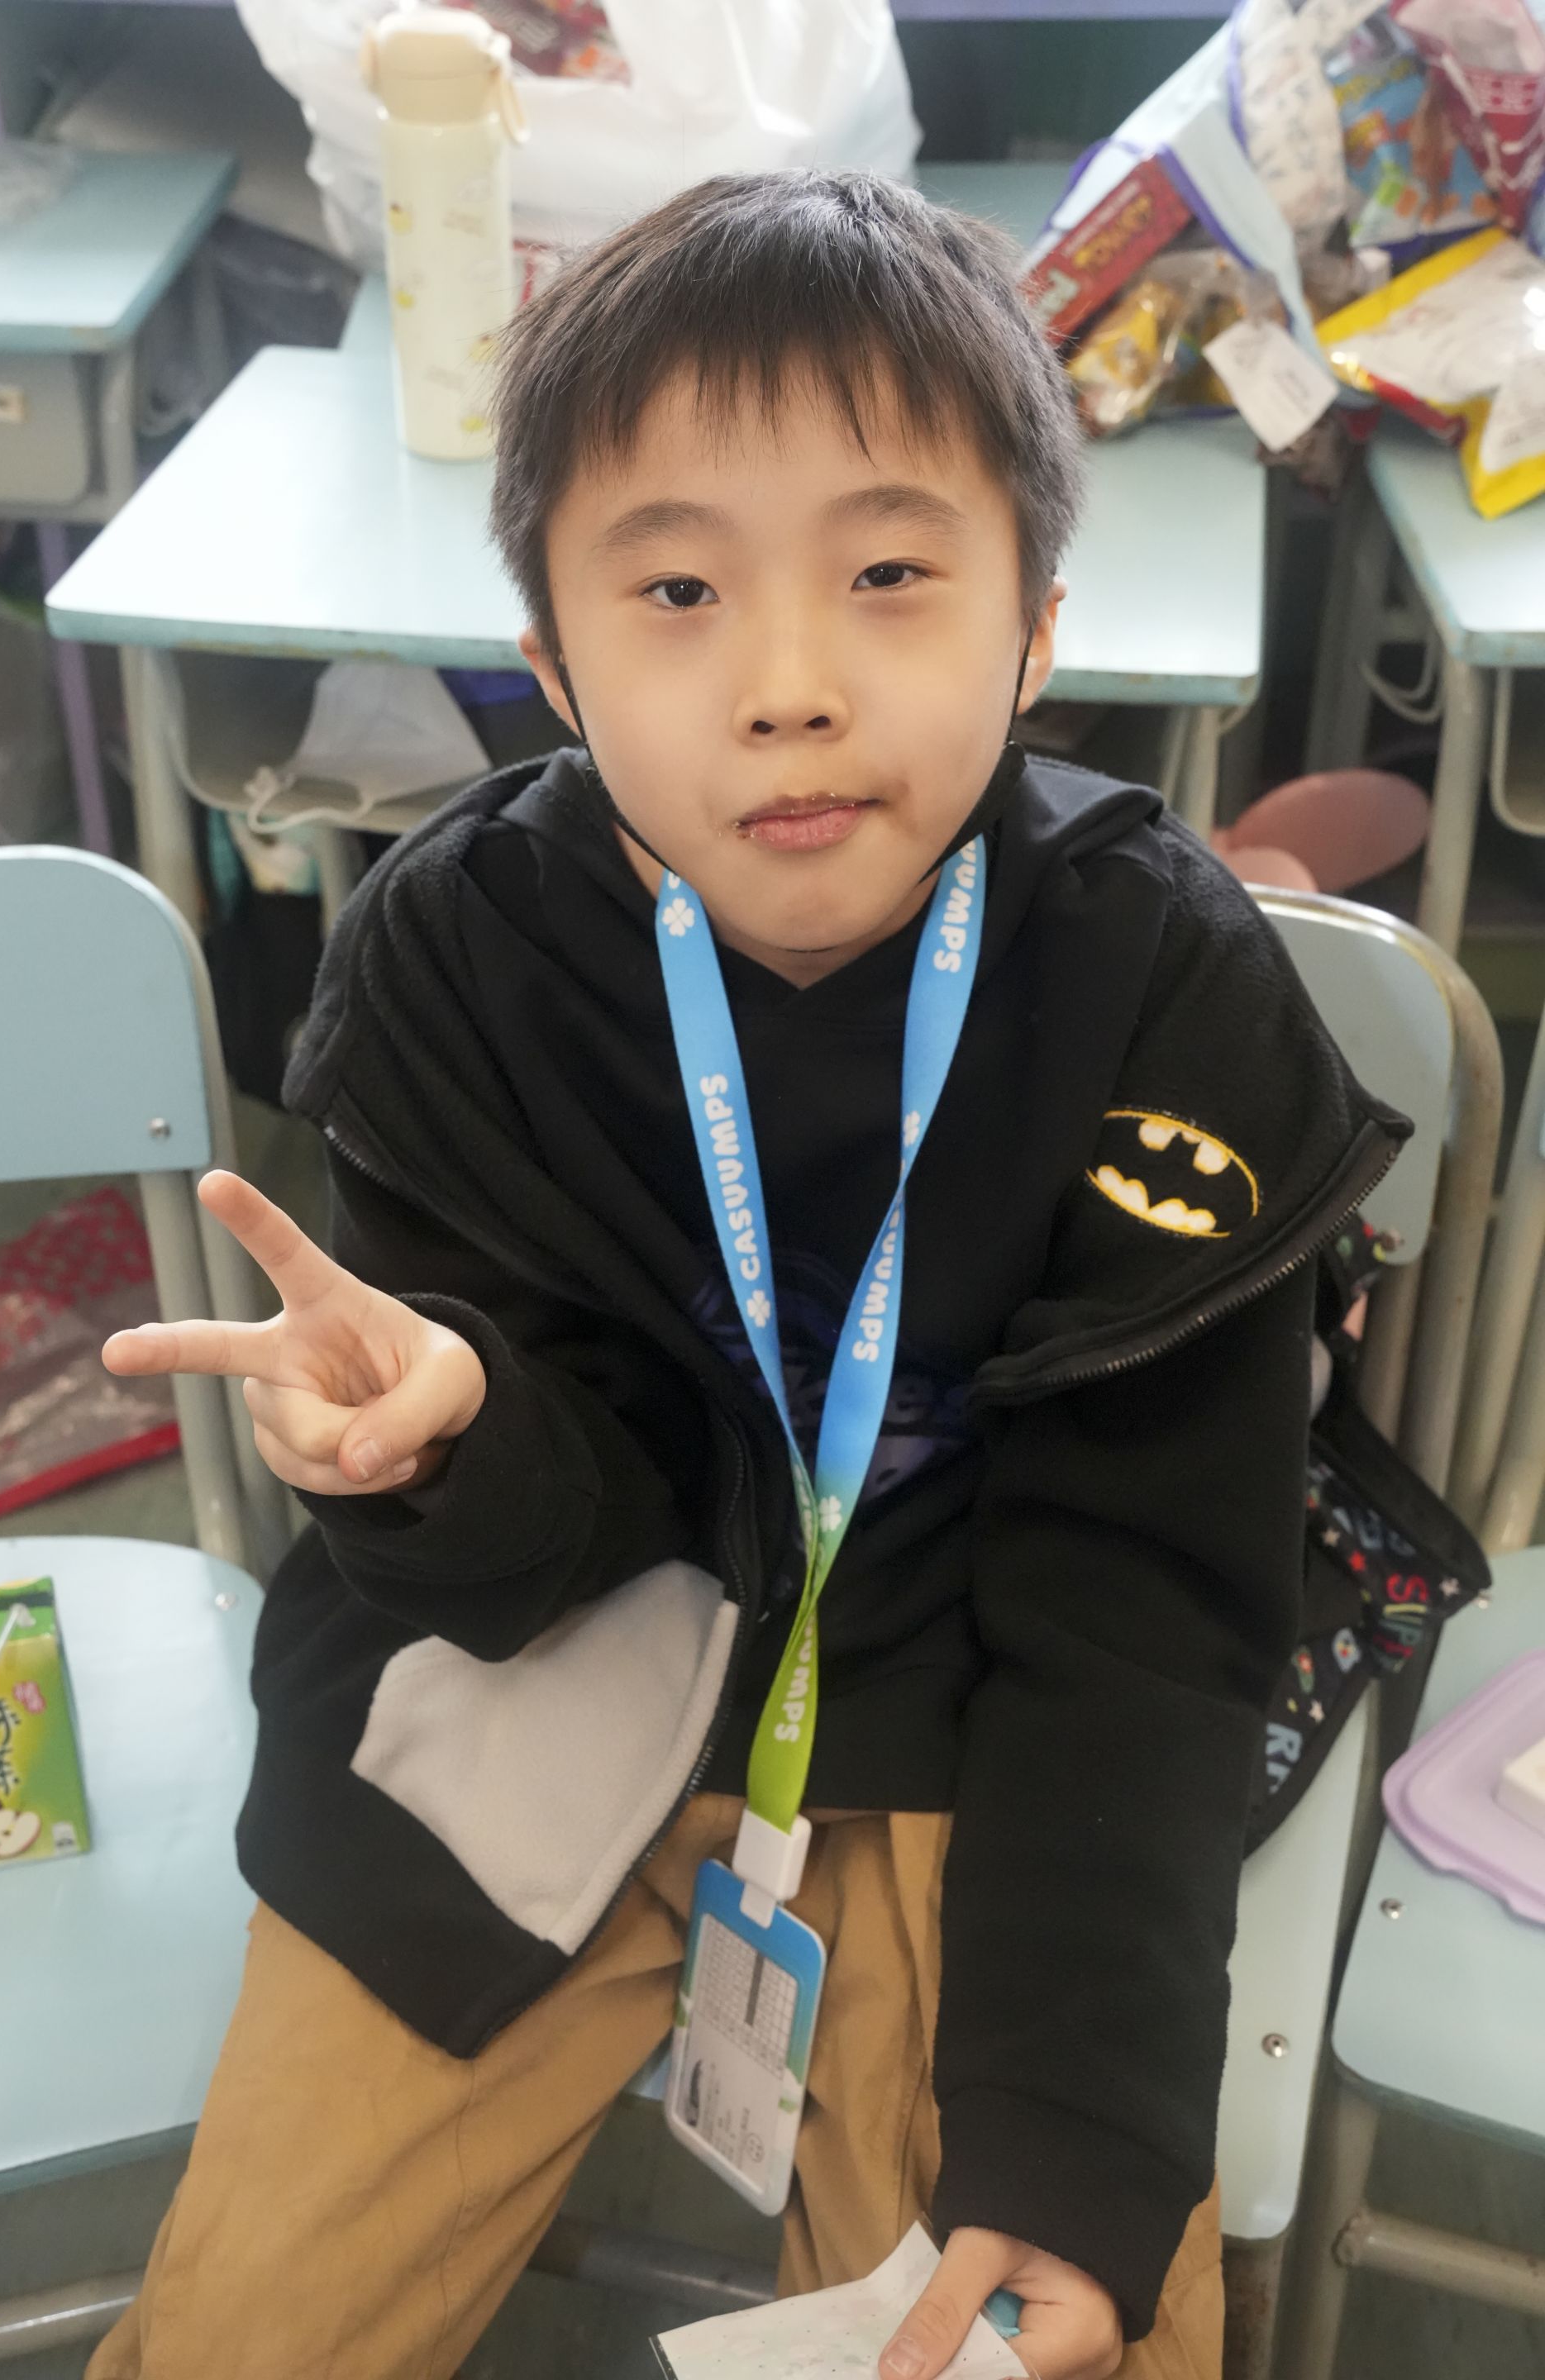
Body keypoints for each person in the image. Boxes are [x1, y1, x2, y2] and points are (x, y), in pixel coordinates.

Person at [96, 170, 1407, 2380]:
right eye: (679, 591)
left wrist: (1081, 2136)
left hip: (982, 1709)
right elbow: (519, 1543)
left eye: (889, 574)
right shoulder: (456, 958)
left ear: (1033, 627)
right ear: (551, 664)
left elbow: (1142, 1607)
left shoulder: (1163, 985)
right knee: (245, 2336)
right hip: (546, 1652)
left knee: (1045, 2313)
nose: (790, 688)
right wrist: (442, 1448)